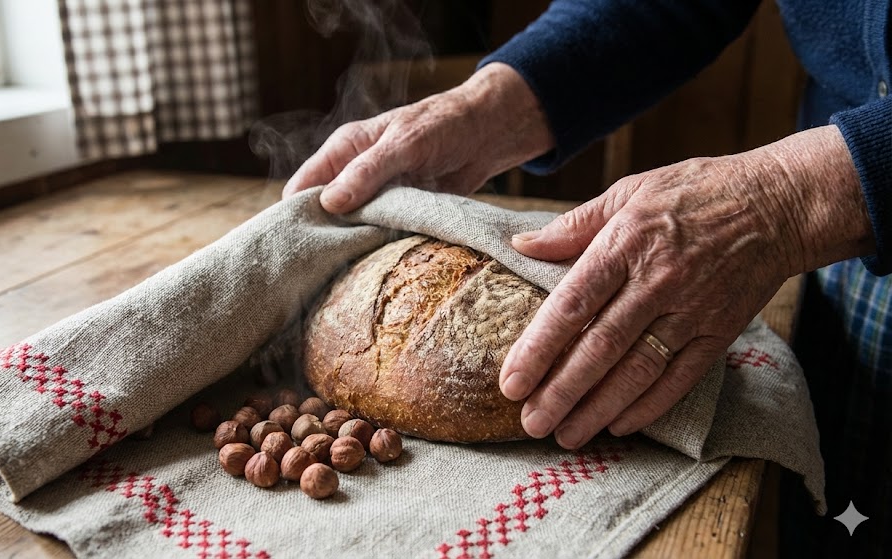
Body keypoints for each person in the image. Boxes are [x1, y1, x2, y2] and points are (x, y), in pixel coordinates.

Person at [283, 1, 890, 556]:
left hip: (838, 205)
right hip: (839, 264)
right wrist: (504, 99)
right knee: (830, 515)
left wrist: (790, 198)